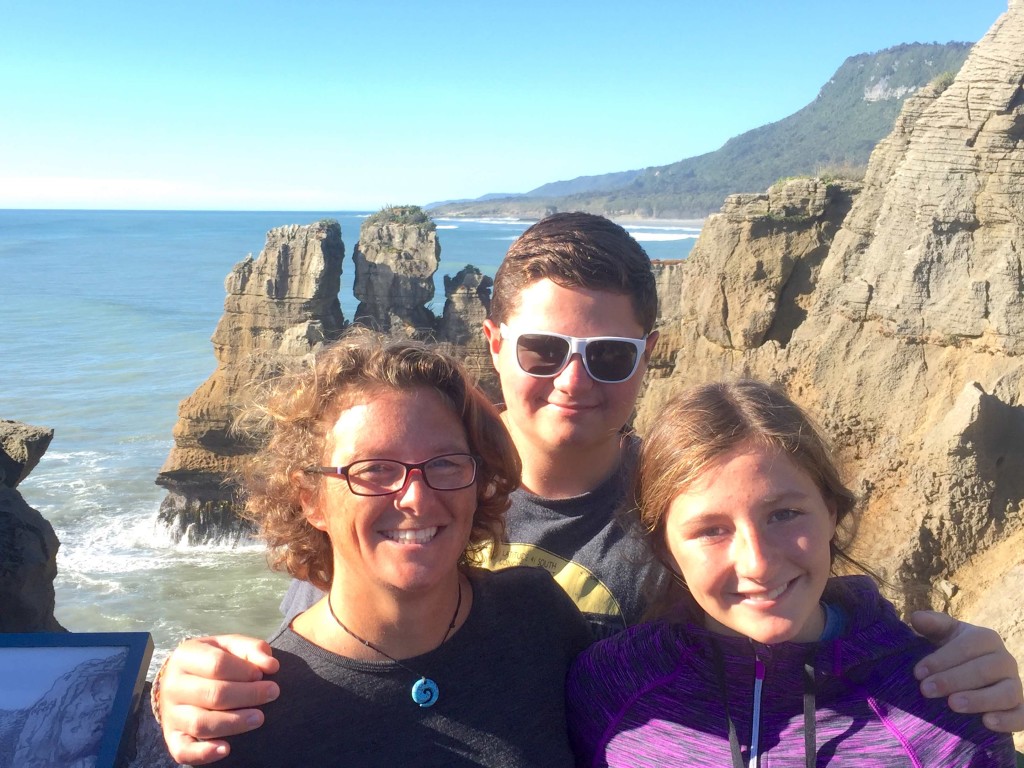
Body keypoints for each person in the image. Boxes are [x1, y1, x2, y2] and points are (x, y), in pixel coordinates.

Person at [155, 213, 1024, 765]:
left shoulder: (689, 512)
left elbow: (792, 605)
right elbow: (321, 643)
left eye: (608, 355)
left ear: (650, 356)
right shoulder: (408, 503)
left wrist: (957, 668)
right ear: (492, 342)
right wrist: (181, 691)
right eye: (542, 350)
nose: (573, 381)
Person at [566, 381, 1016, 766]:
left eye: (783, 514)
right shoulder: (610, 688)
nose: (758, 562)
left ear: (831, 513)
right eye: (711, 530)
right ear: (665, 548)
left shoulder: (946, 707)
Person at [205, 331, 591, 766]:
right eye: (375, 469)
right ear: (310, 499)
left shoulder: (536, 616)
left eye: (445, 463)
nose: (416, 498)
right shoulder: (255, 708)